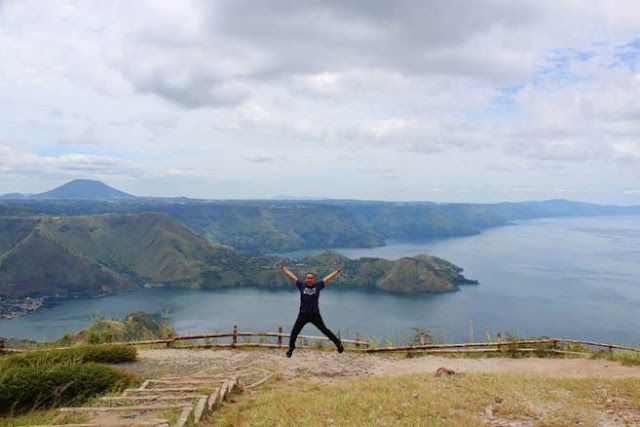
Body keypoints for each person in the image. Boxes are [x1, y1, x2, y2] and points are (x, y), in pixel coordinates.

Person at [280, 259, 344, 358]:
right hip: (303, 314)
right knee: (294, 332)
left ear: (314, 279)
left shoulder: (318, 286)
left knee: (325, 330)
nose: (309, 279)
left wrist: (337, 271)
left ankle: (338, 343)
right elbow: (292, 276)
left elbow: (328, 278)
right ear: (306, 279)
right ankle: (291, 349)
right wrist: (283, 268)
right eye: (308, 278)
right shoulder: (301, 285)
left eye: (311, 278)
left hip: (315, 314)